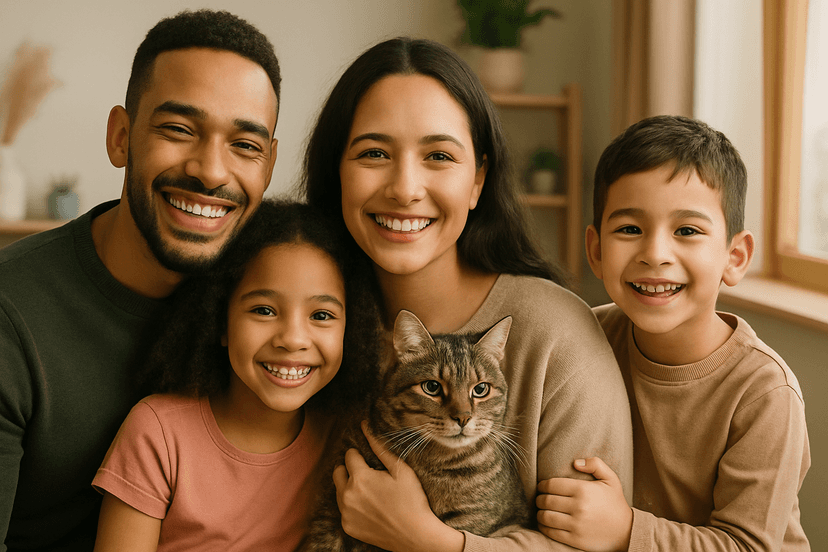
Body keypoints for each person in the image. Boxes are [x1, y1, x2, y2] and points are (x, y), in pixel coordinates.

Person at [300, 36, 633, 551]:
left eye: (438, 155)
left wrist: (425, 539)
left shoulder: (554, 333)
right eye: (374, 153)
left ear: (478, 180)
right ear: (336, 171)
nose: (405, 188)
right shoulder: (302, 318)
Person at [0, 10, 281, 551]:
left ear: (268, 166)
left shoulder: (271, 303)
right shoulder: (12, 315)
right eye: (179, 130)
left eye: (245, 145)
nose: (210, 171)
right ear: (121, 138)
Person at [536, 115, 811, 551]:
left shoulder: (765, 393)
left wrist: (626, 530)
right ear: (596, 251)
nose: (655, 254)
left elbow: (747, 546)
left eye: (687, 230)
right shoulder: (584, 340)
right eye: (630, 229)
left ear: (735, 257)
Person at [91, 200, 381, 551]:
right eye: (264, 310)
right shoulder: (158, 432)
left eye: (321, 315)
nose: (293, 339)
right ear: (221, 322)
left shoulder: (347, 439)